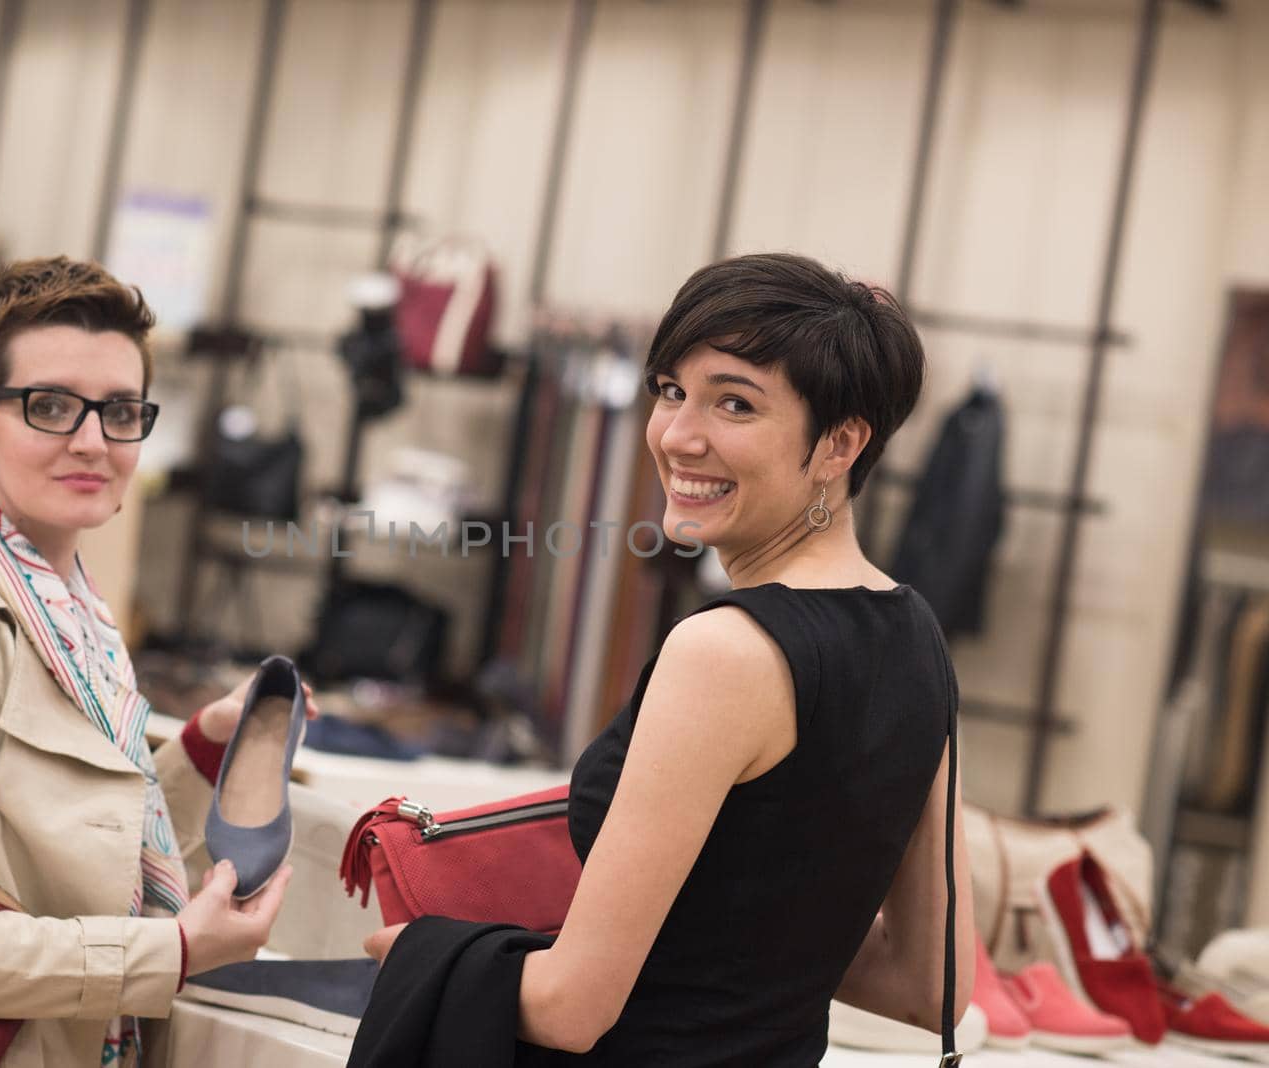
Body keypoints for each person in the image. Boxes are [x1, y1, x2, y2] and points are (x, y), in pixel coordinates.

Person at [353, 253, 976, 1066]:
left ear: (840, 443)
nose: (679, 435)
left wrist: (424, 956)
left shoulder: (726, 651)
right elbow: (931, 985)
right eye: (672, 391)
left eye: (736, 404)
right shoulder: (915, 636)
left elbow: (571, 1009)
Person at [0, 256, 313, 1068]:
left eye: (120, 411)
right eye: (49, 407)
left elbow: (74, 851)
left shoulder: (70, 620)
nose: (91, 442)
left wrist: (204, 749)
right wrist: (170, 953)